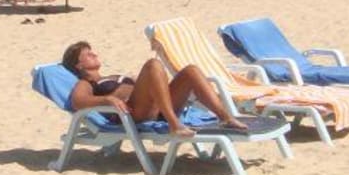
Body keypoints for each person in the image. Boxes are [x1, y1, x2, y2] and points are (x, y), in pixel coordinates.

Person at [61, 41, 251, 136]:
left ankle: (225, 117)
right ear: (79, 65)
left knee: (191, 71)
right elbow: (78, 101)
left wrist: (136, 82)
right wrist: (107, 99)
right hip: (136, 112)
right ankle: (174, 125)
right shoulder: (86, 83)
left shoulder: (109, 76)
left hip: (158, 106)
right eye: (88, 54)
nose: (94, 54)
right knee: (153, 64)